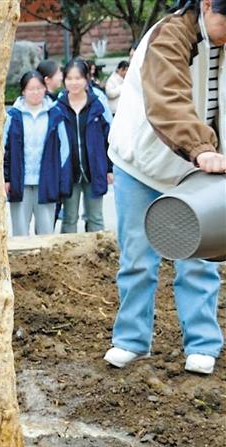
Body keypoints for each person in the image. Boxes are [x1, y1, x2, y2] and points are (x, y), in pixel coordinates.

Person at [105, 0, 225, 375]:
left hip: (199, 169)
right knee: (137, 258)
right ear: (207, 5)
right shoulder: (170, 35)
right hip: (142, 164)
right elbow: (167, 97)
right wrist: (201, 149)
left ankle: (202, 343)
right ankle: (131, 340)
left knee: (200, 258)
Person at [3, 71, 70, 236]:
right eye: (31, 89)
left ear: (45, 89)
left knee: (46, 231)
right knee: (20, 232)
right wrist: (6, 178)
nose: (35, 92)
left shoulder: (55, 114)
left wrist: (60, 179)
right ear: (23, 91)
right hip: (19, 182)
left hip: (46, 181)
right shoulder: (12, 116)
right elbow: (4, 149)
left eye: (39, 88)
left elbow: (64, 150)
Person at [56, 58, 112, 233]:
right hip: (68, 171)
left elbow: (108, 139)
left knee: (96, 218)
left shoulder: (97, 106)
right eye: (70, 78)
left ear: (86, 79)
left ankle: (97, 249)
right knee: (69, 218)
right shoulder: (58, 108)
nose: (74, 83)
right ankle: (68, 251)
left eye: (78, 78)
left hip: (94, 169)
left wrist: (109, 168)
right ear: (64, 80)